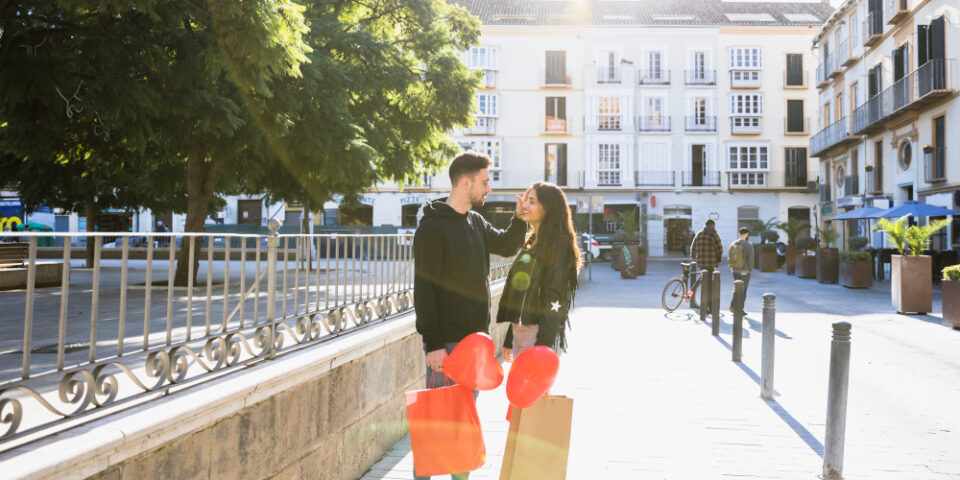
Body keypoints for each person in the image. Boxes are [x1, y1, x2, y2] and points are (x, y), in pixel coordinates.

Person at [413, 151, 528, 480]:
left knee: (462, 429)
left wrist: (520, 219)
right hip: (447, 347)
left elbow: (506, 246)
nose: (488, 188)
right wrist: (432, 343)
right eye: (485, 181)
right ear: (465, 183)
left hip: (475, 345)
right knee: (437, 431)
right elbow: (425, 290)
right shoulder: (432, 229)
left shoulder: (475, 221)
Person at [497, 182, 581, 362]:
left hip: (537, 334)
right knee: (523, 390)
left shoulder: (558, 244)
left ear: (548, 208)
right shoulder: (533, 241)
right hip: (522, 330)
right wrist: (510, 337)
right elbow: (522, 292)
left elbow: (555, 296)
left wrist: (543, 346)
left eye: (532, 201)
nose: (525, 205)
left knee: (531, 389)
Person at [690, 219, 723, 314]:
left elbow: (693, 247)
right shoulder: (713, 234)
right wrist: (719, 259)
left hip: (701, 263)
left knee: (705, 284)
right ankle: (709, 307)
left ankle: (705, 306)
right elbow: (719, 248)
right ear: (713, 225)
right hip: (711, 263)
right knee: (710, 286)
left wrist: (694, 257)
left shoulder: (699, 234)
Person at [728, 227, 754, 316]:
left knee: (736, 288)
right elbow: (751, 259)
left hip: (735, 270)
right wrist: (750, 270)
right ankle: (740, 309)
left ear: (739, 234)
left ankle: (732, 305)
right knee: (743, 290)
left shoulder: (733, 243)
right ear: (747, 234)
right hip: (744, 271)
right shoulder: (748, 245)